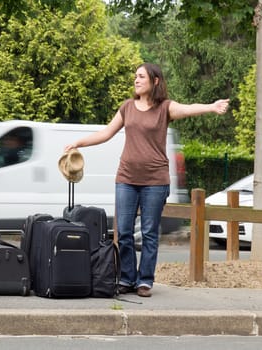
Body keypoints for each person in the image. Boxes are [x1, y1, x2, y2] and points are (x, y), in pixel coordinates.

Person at [64, 62, 229, 297]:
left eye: (141, 76)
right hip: (126, 179)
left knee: (150, 233)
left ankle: (145, 281)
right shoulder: (127, 107)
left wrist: (212, 107)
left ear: (155, 81)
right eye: (135, 76)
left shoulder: (165, 108)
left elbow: (188, 108)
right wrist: (79, 143)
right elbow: (106, 133)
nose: (136, 80)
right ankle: (127, 278)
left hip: (155, 181)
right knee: (125, 232)